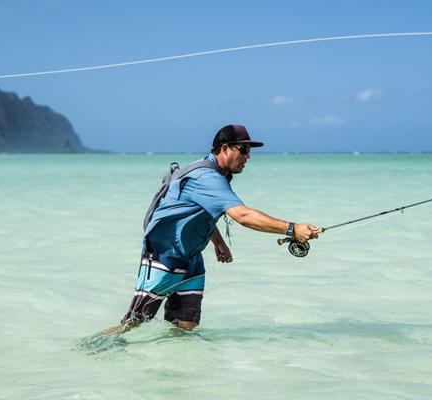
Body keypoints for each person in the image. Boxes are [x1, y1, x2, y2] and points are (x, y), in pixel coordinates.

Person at [104, 124, 322, 334]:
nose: (248, 157)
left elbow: (201, 210)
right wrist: (293, 229)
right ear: (225, 149)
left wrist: (217, 241)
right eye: (243, 150)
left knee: (186, 327)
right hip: (165, 257)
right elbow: (243, 216)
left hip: (192, 261)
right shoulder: (207, 178)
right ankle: (93, 347)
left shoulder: (216, 175)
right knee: (132, 325)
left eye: (249, 151)